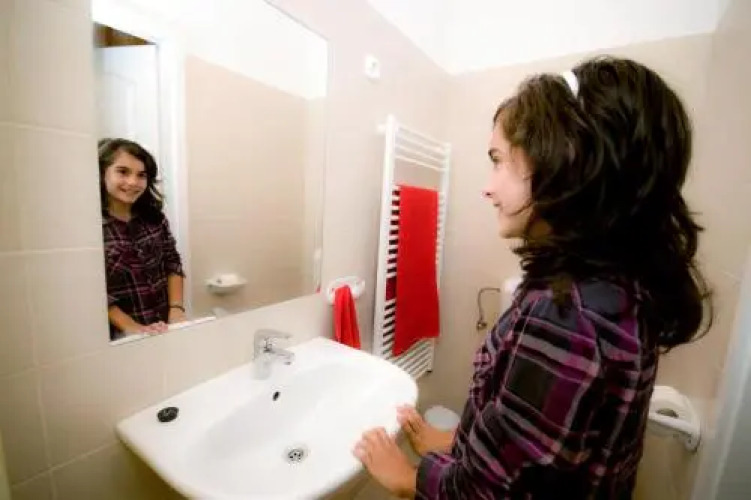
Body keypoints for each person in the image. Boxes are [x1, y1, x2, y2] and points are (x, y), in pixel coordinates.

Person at [353, 56, 713, 498]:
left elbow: (489, 494)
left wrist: (406, 477)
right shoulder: (620, 288)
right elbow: (538, 444)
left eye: (499, 161)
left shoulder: (567, 315)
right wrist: (457, 442)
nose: (487, 187)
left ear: (566, 163)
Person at [99, 138, 186, 340]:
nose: (133, 182)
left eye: (141, 175)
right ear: (102, 173)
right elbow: (94, 292)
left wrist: (176, 309)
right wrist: (133, 327)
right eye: (123, 172)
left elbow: (172, 263)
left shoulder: (154, 219)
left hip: (165, 326)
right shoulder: (90, 229)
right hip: (121, 338)